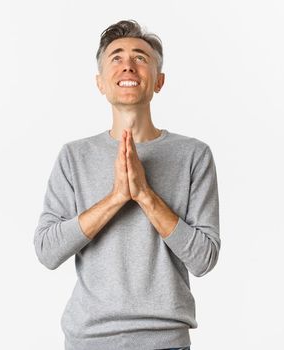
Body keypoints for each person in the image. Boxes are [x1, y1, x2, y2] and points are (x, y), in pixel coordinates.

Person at [33, 19, 220, 350]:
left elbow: (204, 258)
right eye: (116, 57)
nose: (128, 65)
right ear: (101, 83)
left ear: (158, 82)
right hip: (89, 340)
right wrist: (116, 197)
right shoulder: (74, 156)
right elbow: (47, 251)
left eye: (141, 57)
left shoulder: (193, 155)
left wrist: (145, 195)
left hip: (165, 341)